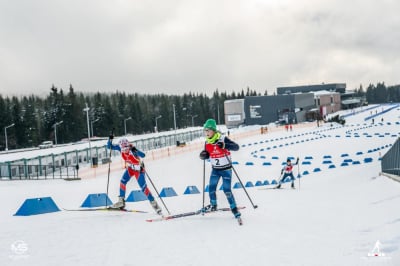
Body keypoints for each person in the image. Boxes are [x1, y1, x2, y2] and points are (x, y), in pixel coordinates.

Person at [107, 136, 162, 215]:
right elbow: (109, 146)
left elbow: (143, 155)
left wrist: (135, 150)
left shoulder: (132, 150)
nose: (125, 150)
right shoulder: (120, 148)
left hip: (138, 170)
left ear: (128, 146)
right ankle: (121, 202)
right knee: (123, 181)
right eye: (123, 149)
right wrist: (110, 139)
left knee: (143, 188)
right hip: (130, 168)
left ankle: (155, 204)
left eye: (126, 148)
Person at [199, 119, 241, 219]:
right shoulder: (207, 143)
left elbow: (236, 147)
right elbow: (207, 155)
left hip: (226, 170)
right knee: (211, 188)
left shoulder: (222, 139)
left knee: (226, 190)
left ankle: (234, 208)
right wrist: (203, 156)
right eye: (205, 130)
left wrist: (225, 145)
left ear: (213, 130)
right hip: (215, 170)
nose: (206, 133)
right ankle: (213, 205)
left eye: (208, 130)